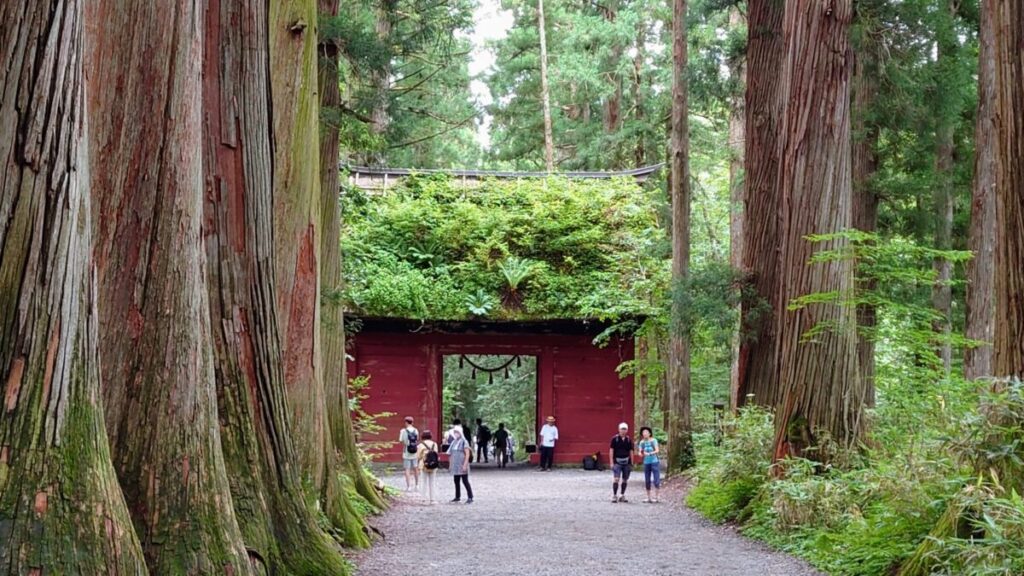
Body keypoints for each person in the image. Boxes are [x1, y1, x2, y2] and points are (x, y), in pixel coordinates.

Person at [446, 427, 474, 504]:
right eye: (454, 432)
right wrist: (450, 465)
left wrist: (465, 465)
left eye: (457, 432)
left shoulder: (464, 442)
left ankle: (470, 496)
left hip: (462, 463)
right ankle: (457, 496)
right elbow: (450, 454)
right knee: (456, 480)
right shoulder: (454, 442)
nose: (456, 434)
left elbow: (467, 454)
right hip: (455, 464)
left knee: (465, 481)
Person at [609, 422, 633, 502]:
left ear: (627, 430)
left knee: (625, 479)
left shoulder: (629, 440)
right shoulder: (614, 439)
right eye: (622, 429)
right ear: (619, 429)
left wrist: (632, 462)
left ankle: (622, 495)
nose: (623, 430)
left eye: (625, 429)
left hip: (627, 462)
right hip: (617, 462)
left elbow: (631, 451)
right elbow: (611, 450)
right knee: (616, 479)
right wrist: (611, 462)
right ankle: (614, 495)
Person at [637, 426, 661, 503]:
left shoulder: (654, 440)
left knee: (656, 479)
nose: (645, 434)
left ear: (650, 433)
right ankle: (648, 497)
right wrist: (641, 454)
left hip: (654, 461)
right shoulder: (642, 442)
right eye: (643, 433)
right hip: (646, 462)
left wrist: (650, 453)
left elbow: (657, 450)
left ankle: (657, 497)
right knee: (647, 480)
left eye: (646, 432)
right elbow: (640, 451)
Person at [416, 430, 440, 504]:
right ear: (430, 436)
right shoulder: (434, 444)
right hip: (433, 465)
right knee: (432, 482)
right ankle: (432, 499)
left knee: (423, 482)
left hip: (424, 465)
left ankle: (423, 499)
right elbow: (436, 454)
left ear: (422, 436)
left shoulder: (420, 445)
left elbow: (418, 456)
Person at [399, 416, 420, 492]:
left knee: (407, 469)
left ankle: (409, 487)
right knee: (415, 468)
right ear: (412, 422)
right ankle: (417, 485)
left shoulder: (403, 431)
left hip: (406, 452)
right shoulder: (416, 430)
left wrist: (406, 442)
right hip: (414, 451)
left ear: (406, 422)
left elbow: (401, 440)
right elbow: (417, 439)